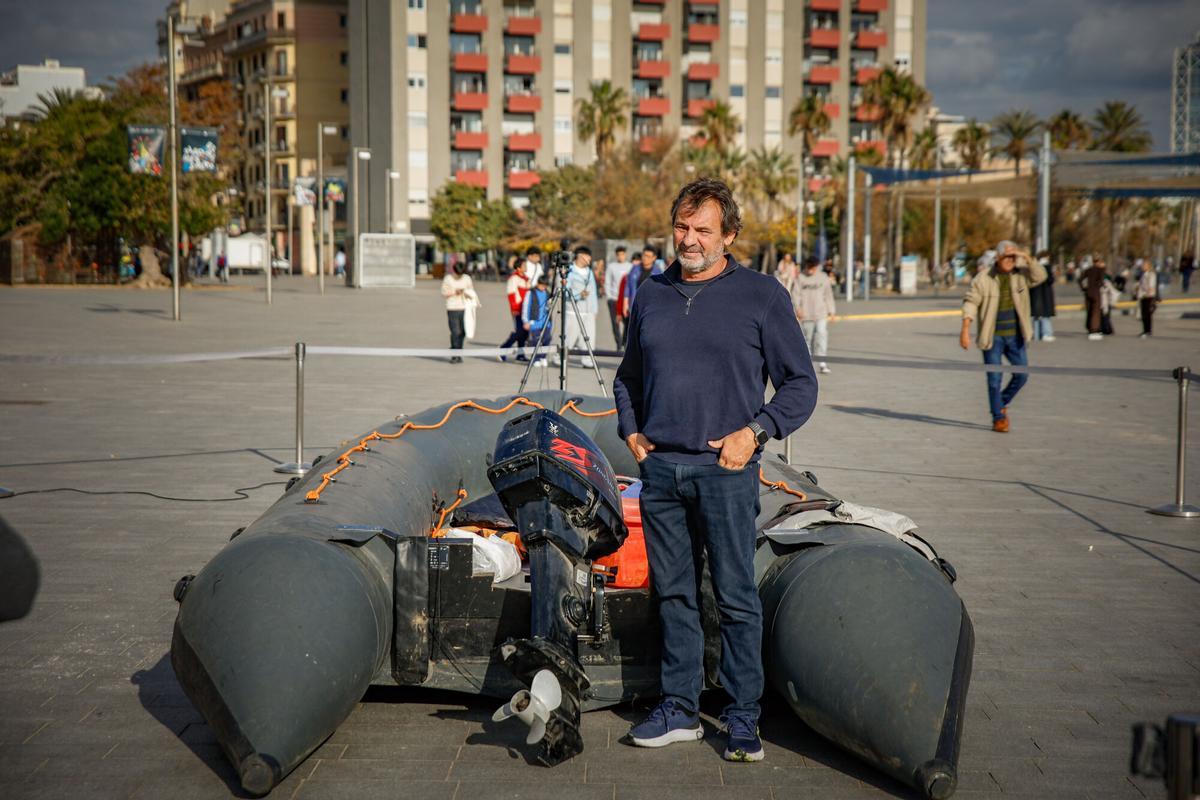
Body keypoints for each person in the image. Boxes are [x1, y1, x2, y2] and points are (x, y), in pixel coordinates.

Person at [614, 178, 818, 763]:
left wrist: (754, 432)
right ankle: (679, 707)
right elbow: (628, 376)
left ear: (729, 234)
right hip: (661, 474)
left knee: (733, 597)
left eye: (704, 229)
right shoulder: (651, 294)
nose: (690, 239)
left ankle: (743, 714)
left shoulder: (761, 296)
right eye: (682, 226)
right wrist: (631, 429)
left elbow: (800, 385)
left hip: (727, 474)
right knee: (674, 594)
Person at [959, 239, 1047, 432]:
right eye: (1006, 256)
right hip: (993, 338)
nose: (1010, 260)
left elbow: (1041, 276)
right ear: (998, 258)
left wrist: (1025, 256)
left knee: (1022, 375)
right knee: (994, 380)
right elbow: (971, 302)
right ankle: (998, 418)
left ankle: (1001, 403)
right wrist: (965, 329)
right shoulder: (984, 279)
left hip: (1016, 337)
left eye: (1013, 257)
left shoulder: (1021, 276)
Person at [557, 246, 599, 369]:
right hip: (573, 310)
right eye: (587, 256)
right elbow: (563, 291)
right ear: (580, 256)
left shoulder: (590, 272)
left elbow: (593, 292)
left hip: (588, 311)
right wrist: (578, 295)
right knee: (569, 337)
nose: (589, 259)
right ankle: (560, 358)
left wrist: (594, 310)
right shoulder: (569, 271)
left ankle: (588, 360)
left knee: (589, 338)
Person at [795, 257, 836, 374]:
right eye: (808, 267)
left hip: (820, 313)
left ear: (817, 267)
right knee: (807, 338)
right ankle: (808, 363)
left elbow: (828, 294)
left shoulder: (823, 277)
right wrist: (797, 308)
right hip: (806, 314)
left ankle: (822, 362)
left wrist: (831, 311)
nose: (810, 271)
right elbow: (796, 294)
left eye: (812, 268)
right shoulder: (800, 278)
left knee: (821, 334)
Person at [441, 262, 475, 364]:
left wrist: (466, 292)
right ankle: (455, 354)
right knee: (455, 331)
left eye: (460, 275)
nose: (459, 277)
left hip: (464, 308)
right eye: (457, 275)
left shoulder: (467, 279)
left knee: (463, 331)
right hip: (452, 308)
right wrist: (454, 292)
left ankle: (458, 350)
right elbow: (443, 292)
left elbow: (471, 291)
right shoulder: (448, 279)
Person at [499, 256, 532, 360]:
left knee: (524, 333)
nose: (526, 266)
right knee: (519, 332)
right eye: (524, 265)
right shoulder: (514, 279)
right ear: (518, 267)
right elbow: (511, 295)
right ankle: (503, 349)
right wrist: (515, 309)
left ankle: (520, 354)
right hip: (518, 310)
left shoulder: (526, 279)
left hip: (526, 310)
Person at [605, 245, 634, 348]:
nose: (620, 256)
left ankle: (624, 341)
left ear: (625, 255)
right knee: (615, 323)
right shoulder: (611, 266)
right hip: (614, 298)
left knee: (627, 322)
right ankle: (618, 343)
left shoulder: (630, 267)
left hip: (625, 299)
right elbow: (607, 282)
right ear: (616, 255)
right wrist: (609, 297)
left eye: (622, 254)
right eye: (619, 255)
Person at [521, 272, 552, 366]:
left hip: (546, 322)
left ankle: (543, 357)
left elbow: (549, 307)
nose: (543, 287)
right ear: (538, 283)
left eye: (545, 285)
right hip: (534, 322)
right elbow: (526, 307)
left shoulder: (547, 293)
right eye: (542, 285)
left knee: (547, 339)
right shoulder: (530, 293)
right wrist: (526, 321)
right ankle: (536, 359)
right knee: (536, 341)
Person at [624, 245, 664, 317]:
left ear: (654, 258)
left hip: (651, 308)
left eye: (648, 256)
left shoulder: (658, 272)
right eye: (644, 255)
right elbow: (628, 286)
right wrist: (625, 303)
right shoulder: (634, 269)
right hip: (635, 305)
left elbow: (661, 292)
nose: (645, 258)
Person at [1029, 250, 1057, 342]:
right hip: (1045, 294)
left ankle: (1036, 334)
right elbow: (1050, 280)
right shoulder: (1047, 267)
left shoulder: (1034, 266)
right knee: (1045, 315)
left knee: (1036, 316)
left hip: (1035, 294)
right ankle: (1046, 333)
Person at [1078, 257, 1107, 340]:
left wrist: (1083, 288)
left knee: (1089, 311)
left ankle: (1089, 327)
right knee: (1095, 312)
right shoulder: (1100, 270)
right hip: (1096, 293)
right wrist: (1098, 286)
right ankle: (1094, 330)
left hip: (1087, 293)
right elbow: (1101, 281)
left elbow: (1080, 279)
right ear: (1099, 262)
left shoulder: (1088, 270)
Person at [1134, 259, 1158, 338]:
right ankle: (1145, 330)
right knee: (1144, 314)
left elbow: (1151, 286)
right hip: (1143, 296)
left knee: (1147, 314)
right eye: (1142, 265)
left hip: (1148, 296)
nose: (1142, 267)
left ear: (1148, 266)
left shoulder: (1151, 274)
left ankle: (1147, 331)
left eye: (1144, 265)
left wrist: (1148, 293)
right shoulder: (1143, 274)